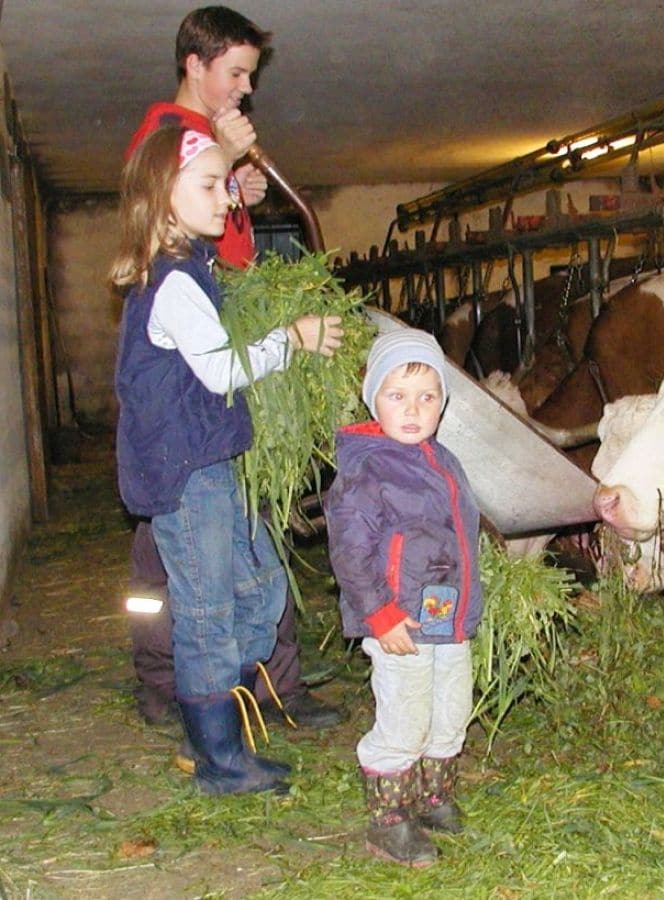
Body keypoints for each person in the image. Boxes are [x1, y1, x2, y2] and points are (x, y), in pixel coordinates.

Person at [124, 5, 340, 731]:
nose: (245, 89)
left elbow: (228, 246)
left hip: (226, 356)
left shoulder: (206, 159)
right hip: (200, 380)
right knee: (183, 549)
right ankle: (174, 686)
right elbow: (170, 220)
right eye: (236, 73)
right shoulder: (166, 139)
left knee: (246, 529)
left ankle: (265, 684)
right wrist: (216, 148)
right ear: (195, 64)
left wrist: (241, 196)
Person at [324, 329, 483, 866]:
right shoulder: (366, 467)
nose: (414, 409)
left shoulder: (442, 458)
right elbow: (350, 550)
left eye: (428, 396)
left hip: (447, 616)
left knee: (450, 710)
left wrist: (470, 600)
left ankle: (434, 796)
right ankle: (389, 821)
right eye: (397, 395)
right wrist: (380, 613)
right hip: (398, 622)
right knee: (405, 716)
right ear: (374, 399)